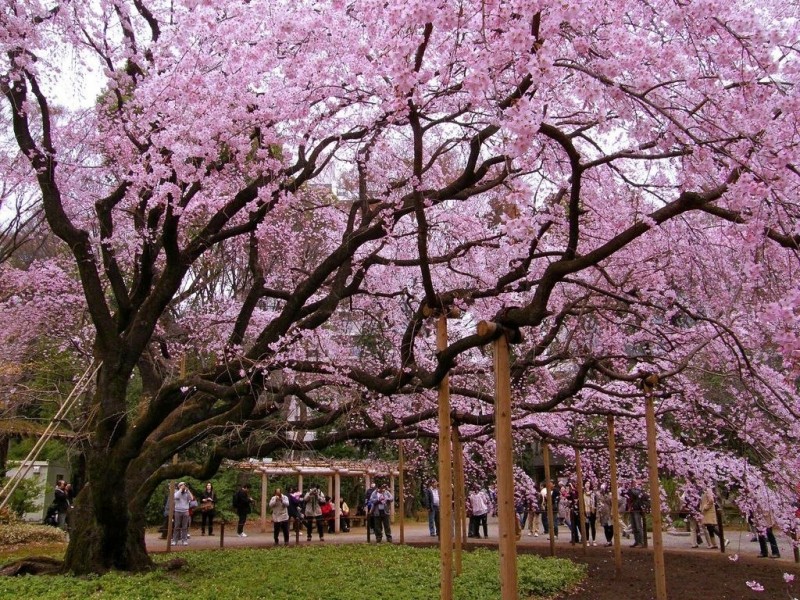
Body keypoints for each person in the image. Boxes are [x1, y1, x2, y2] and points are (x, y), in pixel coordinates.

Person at [680, 482, 709, 548]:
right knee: (704, 527)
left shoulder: (686, 493)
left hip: (691, 511)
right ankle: (709, 543)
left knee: (693, 528)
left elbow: (682, 500)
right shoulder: (699, 491)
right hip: (698, 511)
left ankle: (694, 544)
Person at [626, 479, 648, 548]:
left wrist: (632, 488)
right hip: (632, 509)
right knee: (634, 527)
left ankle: (641, 542)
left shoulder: (639, 490)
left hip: (637, 509)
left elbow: (635, 494)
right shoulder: (630, 490)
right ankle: (636, 541)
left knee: (638, 527)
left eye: (633, 482)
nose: (632, 484)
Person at [173, 481, 194, 546]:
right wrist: (180, 490)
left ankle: (184, 540)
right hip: (177, 511)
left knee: (184, 527)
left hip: (185, 511)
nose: (183, 486)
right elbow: (175, 497)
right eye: (181, 485)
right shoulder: (176, 492)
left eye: (184, 485)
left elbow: (191, 498)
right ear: (179, 486)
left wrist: (187, 491)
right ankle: (175, 540)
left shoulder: (187, 493)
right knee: (176, 526)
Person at [583, 480, 598, 546]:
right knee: (586, 526)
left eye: (588, 483)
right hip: (585, 510)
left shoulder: (593, 493)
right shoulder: (582, 493)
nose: (587, 484)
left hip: (592, 510)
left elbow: (596, 502)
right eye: (586, 483)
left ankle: (594, 540)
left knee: (593, 526)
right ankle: (587, 540)